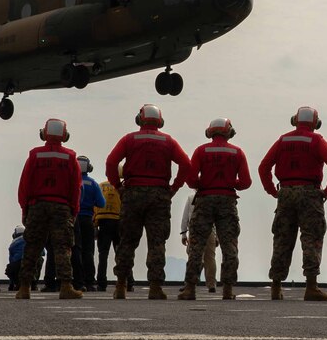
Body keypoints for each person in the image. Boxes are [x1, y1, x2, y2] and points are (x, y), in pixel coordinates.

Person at [106, 104, 193, 300]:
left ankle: (120, 286)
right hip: (159, 195)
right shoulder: (168, 141)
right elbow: (186, 164)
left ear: (140, 119)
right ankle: (155, 287)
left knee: (127, 241)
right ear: (160, 121)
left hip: (133, 193)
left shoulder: (129, 139)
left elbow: (111, 162)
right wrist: (174, 188)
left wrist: (118, 187)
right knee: (157, 242)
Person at [259, 106, 327, 301]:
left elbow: (264, 167)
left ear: (294, 120)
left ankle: (276, 286)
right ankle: (311, 287)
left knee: (282, 239)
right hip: (310, 193)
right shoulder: (317, 140)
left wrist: (273, 191)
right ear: (316, 123)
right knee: (311, 238)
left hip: (285, 193)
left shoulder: (283, 140)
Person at [178, 118, 252, 301]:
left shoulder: (201, 151)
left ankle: (190, 289)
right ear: (229, 132)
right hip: (227, 201)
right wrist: (228, 183)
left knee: (196, 246)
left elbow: (191, 179)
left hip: (204, 200)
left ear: (209, 132)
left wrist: (206, 184)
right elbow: (245, 182)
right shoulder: (237, 153)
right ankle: (227, 290)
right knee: (229, 246)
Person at [16, 118, 83, 300]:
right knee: (63, 247)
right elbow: (75, 187)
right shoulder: (70, 157)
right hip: (62, 207)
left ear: (44, 133)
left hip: (37, 206)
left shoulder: (35, 155)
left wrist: (25, 208)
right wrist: (74, 210)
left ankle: (24, 288)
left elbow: (25, 184)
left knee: (32, 246)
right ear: (65, 135)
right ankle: (66, 286)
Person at [95, 176, 133, 292]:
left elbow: (96, 205)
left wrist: (95, 224)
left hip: (103, 222)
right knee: (122, 254)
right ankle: (129, 282)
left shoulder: (101, 185)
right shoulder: (123, 187)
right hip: (119, 221)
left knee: (103, 254)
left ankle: (101, 284)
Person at [76, 156, 106, 291]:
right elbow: (101, 203)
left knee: (74, 250)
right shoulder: (93, 184)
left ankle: (75, 281)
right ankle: (89, 282)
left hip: (73, 219)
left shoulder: (71, 182)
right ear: (89, 168)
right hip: (88, 220)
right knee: (88, 252)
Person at [180, 194, 219, 293]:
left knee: (194, 256)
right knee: (210, 258)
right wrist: (217, 236)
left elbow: (185, 217)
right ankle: (211, 284)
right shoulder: (213, 197)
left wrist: (184, 233)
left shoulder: (191, 198)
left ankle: (189, 284)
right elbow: (218, 218)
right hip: (210, 230)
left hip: (195, 229)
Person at [5, 226, 44, 291]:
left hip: (18, 264)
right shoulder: (33, 240)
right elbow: (42, 253)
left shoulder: (13, 244)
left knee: (10, 268)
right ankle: (34, 284)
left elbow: (11, 261)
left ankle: (18, 284)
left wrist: (11, 286)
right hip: (33, 263)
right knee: (40, 260)